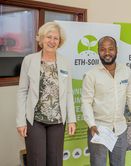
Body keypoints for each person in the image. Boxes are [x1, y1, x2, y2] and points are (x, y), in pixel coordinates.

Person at [16, 22, 76, 166]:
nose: (52, 41)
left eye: (56, 38)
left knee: (55, 160)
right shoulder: (29, 60)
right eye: (49, 37)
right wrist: (20, 121)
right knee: (37, 160)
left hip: (57, 120)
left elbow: (68, 92)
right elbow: (22, 91)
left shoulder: (64, 62)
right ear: (41, 39)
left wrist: (72, 119)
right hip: (35, 119)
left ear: (60, 42)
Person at [81, 36, 131, 166]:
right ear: (98, 51)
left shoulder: (126, 71)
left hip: (120, 129)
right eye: (103, 49)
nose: (107, 53)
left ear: (116, 50)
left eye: (110, 49)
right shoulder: (91, 74)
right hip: (99, 129)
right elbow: (86, 102)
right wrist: (92, 124)